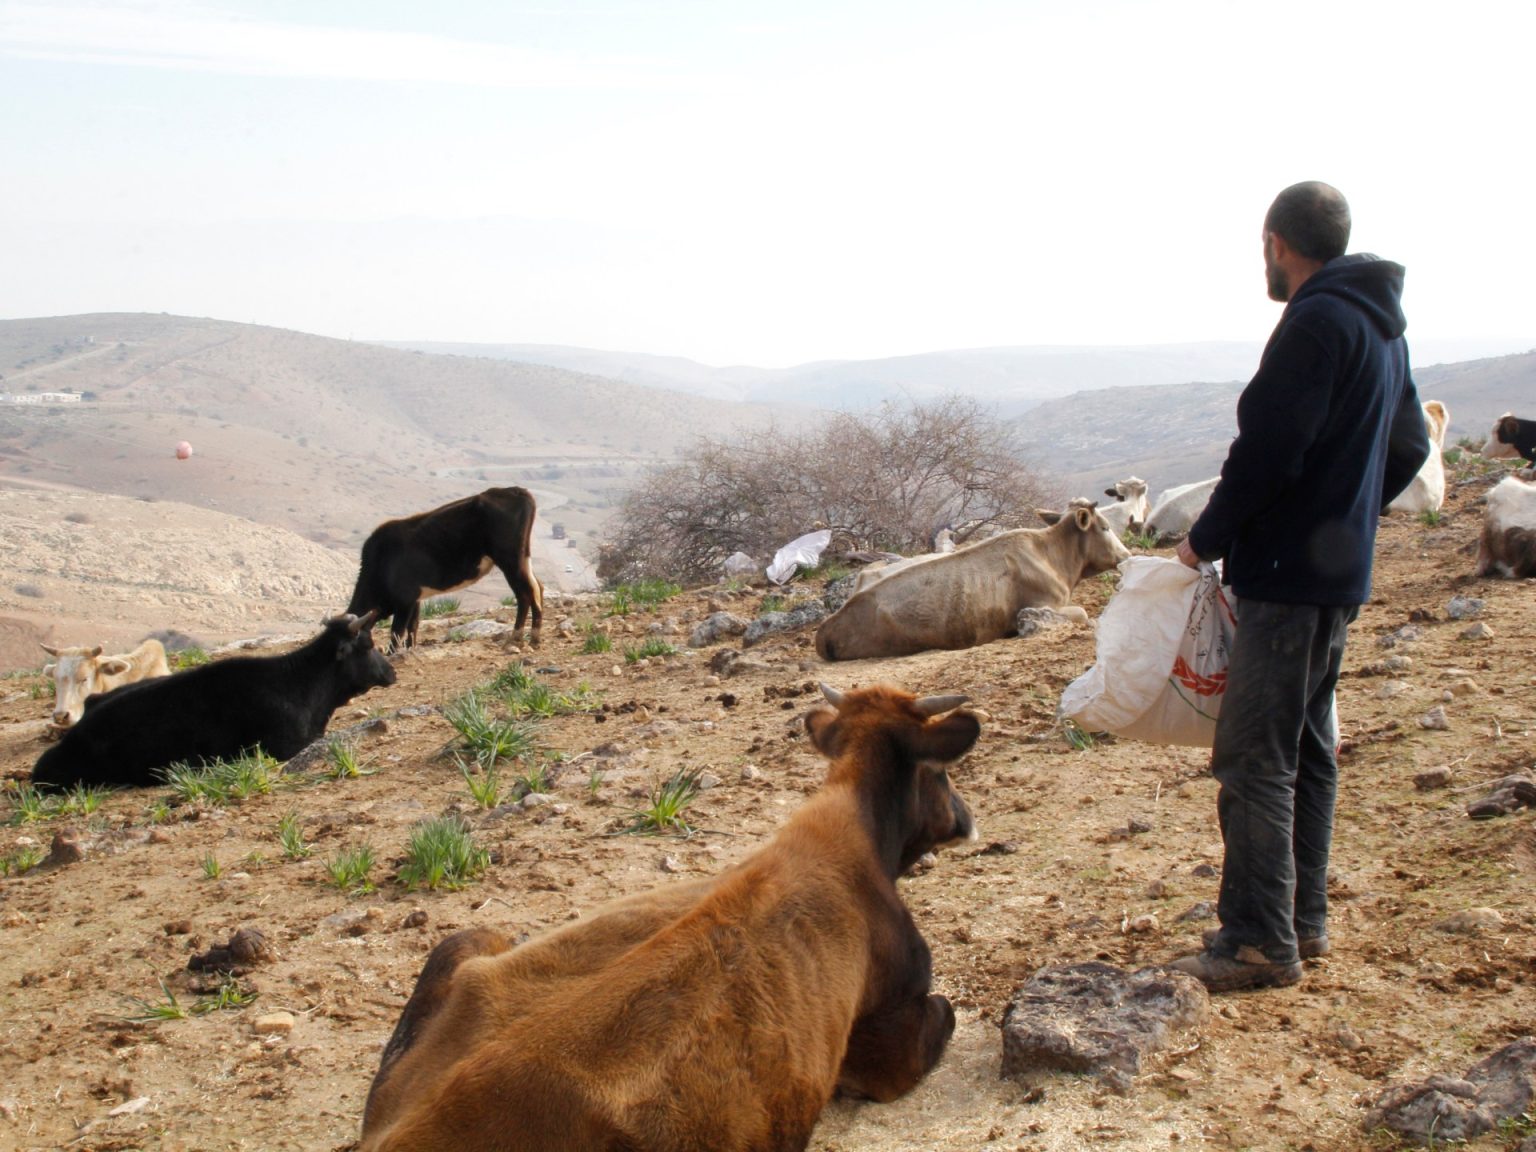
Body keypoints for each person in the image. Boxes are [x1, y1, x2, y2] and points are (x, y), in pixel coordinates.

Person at [1167, 181, 1430, 993]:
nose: (1266, 265)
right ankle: (1302, 923)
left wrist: (1204, 539)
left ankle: (1255, 941)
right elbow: (1413, 444)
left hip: (1285, 579)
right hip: (1335, 577)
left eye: (1265, 250)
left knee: (1253, 759)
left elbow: (1269, 453)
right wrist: (1348, 521)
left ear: (1279, 243)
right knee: (1309, 750)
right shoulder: (1382, 325)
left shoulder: (1313, 321)